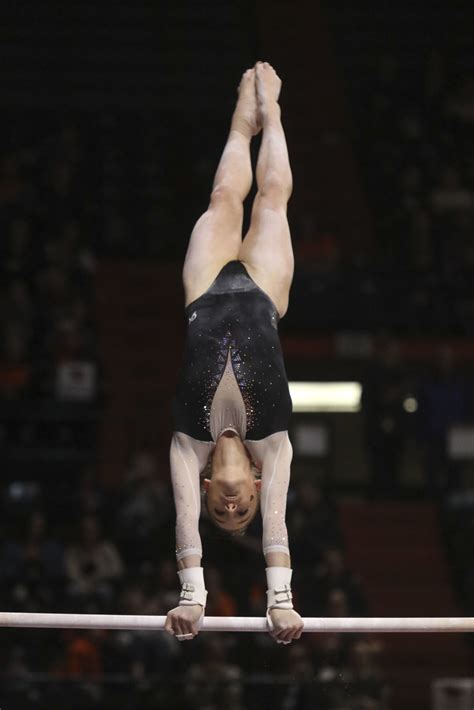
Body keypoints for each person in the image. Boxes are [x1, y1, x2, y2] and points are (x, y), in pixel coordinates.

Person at [165, 62, 303, 645]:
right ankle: (271, 115)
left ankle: (238, 126)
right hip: (263, 292)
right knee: (271, 198)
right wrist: (281, 603)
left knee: (224, 196)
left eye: (221, 513)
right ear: (253, 480)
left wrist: (192, 598)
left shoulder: (186, 443)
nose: (230, 507)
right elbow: (278, 527)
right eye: (240, 509)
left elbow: (182, 527)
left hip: (204, 290)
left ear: (206, 493)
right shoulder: (273, 442)